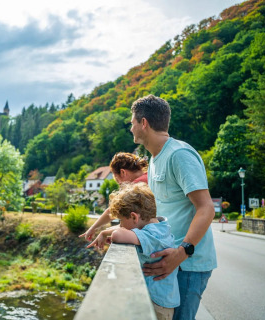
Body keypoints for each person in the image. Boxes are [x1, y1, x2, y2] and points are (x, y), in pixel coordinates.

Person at [130, 94, 217, 320]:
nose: (131, 128)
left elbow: (206, 208)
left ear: (144, 123)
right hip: (170, 263)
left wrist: (182, 253)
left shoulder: (179, 154)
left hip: (187, 265)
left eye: (132, 122)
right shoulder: (155, 158)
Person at [87, 183, 179, 320]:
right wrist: (105, 232)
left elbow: (118, 235)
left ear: (134, 217)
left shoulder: (153, 234)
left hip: (157, 303)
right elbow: (128, 231)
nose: (121, 225)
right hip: (161, 299)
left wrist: (113, 232)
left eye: (121, 221)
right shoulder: (160, 226)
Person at [79, 152, 148, 241]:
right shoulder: (149, 177)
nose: (120, 186)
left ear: (123, 172)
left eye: (118, 180)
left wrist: (94, 228)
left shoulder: (136, 187)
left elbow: (114, 211)